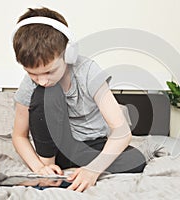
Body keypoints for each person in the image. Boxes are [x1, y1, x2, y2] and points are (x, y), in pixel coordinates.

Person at [11, 7, 146, 192]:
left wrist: (93, 170)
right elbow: (19, 135)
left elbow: (122, 131)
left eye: (49, 71)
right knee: (46, 93)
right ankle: (49, 174)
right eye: (33, 74)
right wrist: (39, 168)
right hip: (53, 150)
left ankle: (72, 171)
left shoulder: (88, 72)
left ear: (68, 54)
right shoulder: (31, 84)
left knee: (136, 160)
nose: (42, 80)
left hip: (89, 147)